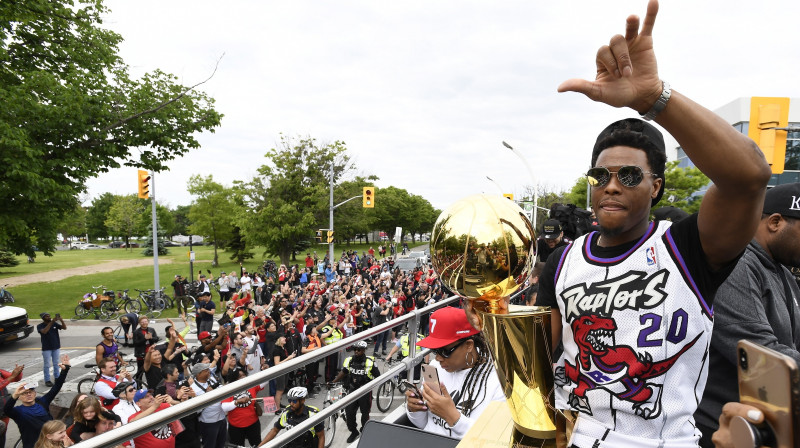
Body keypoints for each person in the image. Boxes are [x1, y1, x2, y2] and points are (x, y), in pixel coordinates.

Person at [533, 1, 772, 446]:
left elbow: (749, 177)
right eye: (600, 176)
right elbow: (538, 359)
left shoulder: (687, 247)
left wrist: (653, 98)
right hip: (573, 435)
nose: (611, 186)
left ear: (656, 187)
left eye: (628, 176)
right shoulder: (563, 261)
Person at [694, 183, 800, 445]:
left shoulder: (784, 272)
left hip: (767, 426)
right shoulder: (736, 266)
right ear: (775, 222)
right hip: (722, 429)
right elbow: (762, 354)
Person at [405, 307, 504, 439]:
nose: (438, 358)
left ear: (469, 345)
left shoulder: (498, 382)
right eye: (435, 351)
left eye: (444, 351)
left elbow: (493, 440)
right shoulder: (435, 368)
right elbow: (424, 425)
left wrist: (453, 417)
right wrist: (414, 409)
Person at [5, 355, 71, 448]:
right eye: (24, 393)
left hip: (52, 444)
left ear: (35, 393)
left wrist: (65, 370)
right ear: (19, 397)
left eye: (30, 392)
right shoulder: (18, 411)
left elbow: (56, 388)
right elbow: (6, 409)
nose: (28, 394)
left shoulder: (42, 402)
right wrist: (14, 395)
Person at [332, 340, 380, 443]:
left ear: (363, 350)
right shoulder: (349, 360)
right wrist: (333, 381)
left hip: (365, 391)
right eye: (355, 349)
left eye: (359, 350)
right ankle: (354, 432)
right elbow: (344, 372)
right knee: (349, 413)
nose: (356, 351)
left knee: (365, 414)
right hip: (352, 390)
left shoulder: (370, 361)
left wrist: (371, 385)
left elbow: (378, 376)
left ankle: (364, 430)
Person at [258, 387, 324, 448]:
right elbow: (275, 430)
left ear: (302, 400)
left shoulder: (313, 414)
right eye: (290, 400)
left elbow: (321, 437)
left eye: (294, 401)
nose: (291, 404)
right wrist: (260, 446)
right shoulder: (287, 412)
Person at [190, 362, 229, 448]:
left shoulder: (212, 380)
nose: (208, 372)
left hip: (222, 418)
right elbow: (195, 409)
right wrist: (207, 395)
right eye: (206, 370)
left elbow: (221, 389)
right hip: (208, 423)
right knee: (210, 445)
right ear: (199, 374)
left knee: (221, 444)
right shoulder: (193, 389)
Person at [37, 312, 66, 387]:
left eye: (49, 316)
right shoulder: (40, 326)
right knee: (47, 365)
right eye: (47, 316)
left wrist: (61, 320)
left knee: (56, 363)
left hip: (55, 347)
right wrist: (52, 322)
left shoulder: (54, 324)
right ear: (43, 318)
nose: (49, 317)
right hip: (46, 348)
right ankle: (47, 380)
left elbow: (64, 327)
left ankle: (57, 377)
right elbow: (44, 331)